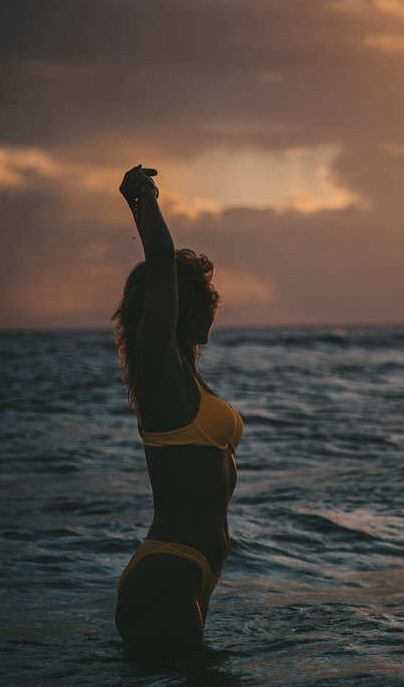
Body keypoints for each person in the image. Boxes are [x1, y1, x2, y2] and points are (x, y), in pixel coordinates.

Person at [112, 165, 243, 656]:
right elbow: (162, 260)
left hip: (189, 579)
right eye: (207, 301)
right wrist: (141, 196)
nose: (215, 308)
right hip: (165, 578)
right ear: (182, 306)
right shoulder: (159, 367)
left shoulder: (186, 375)